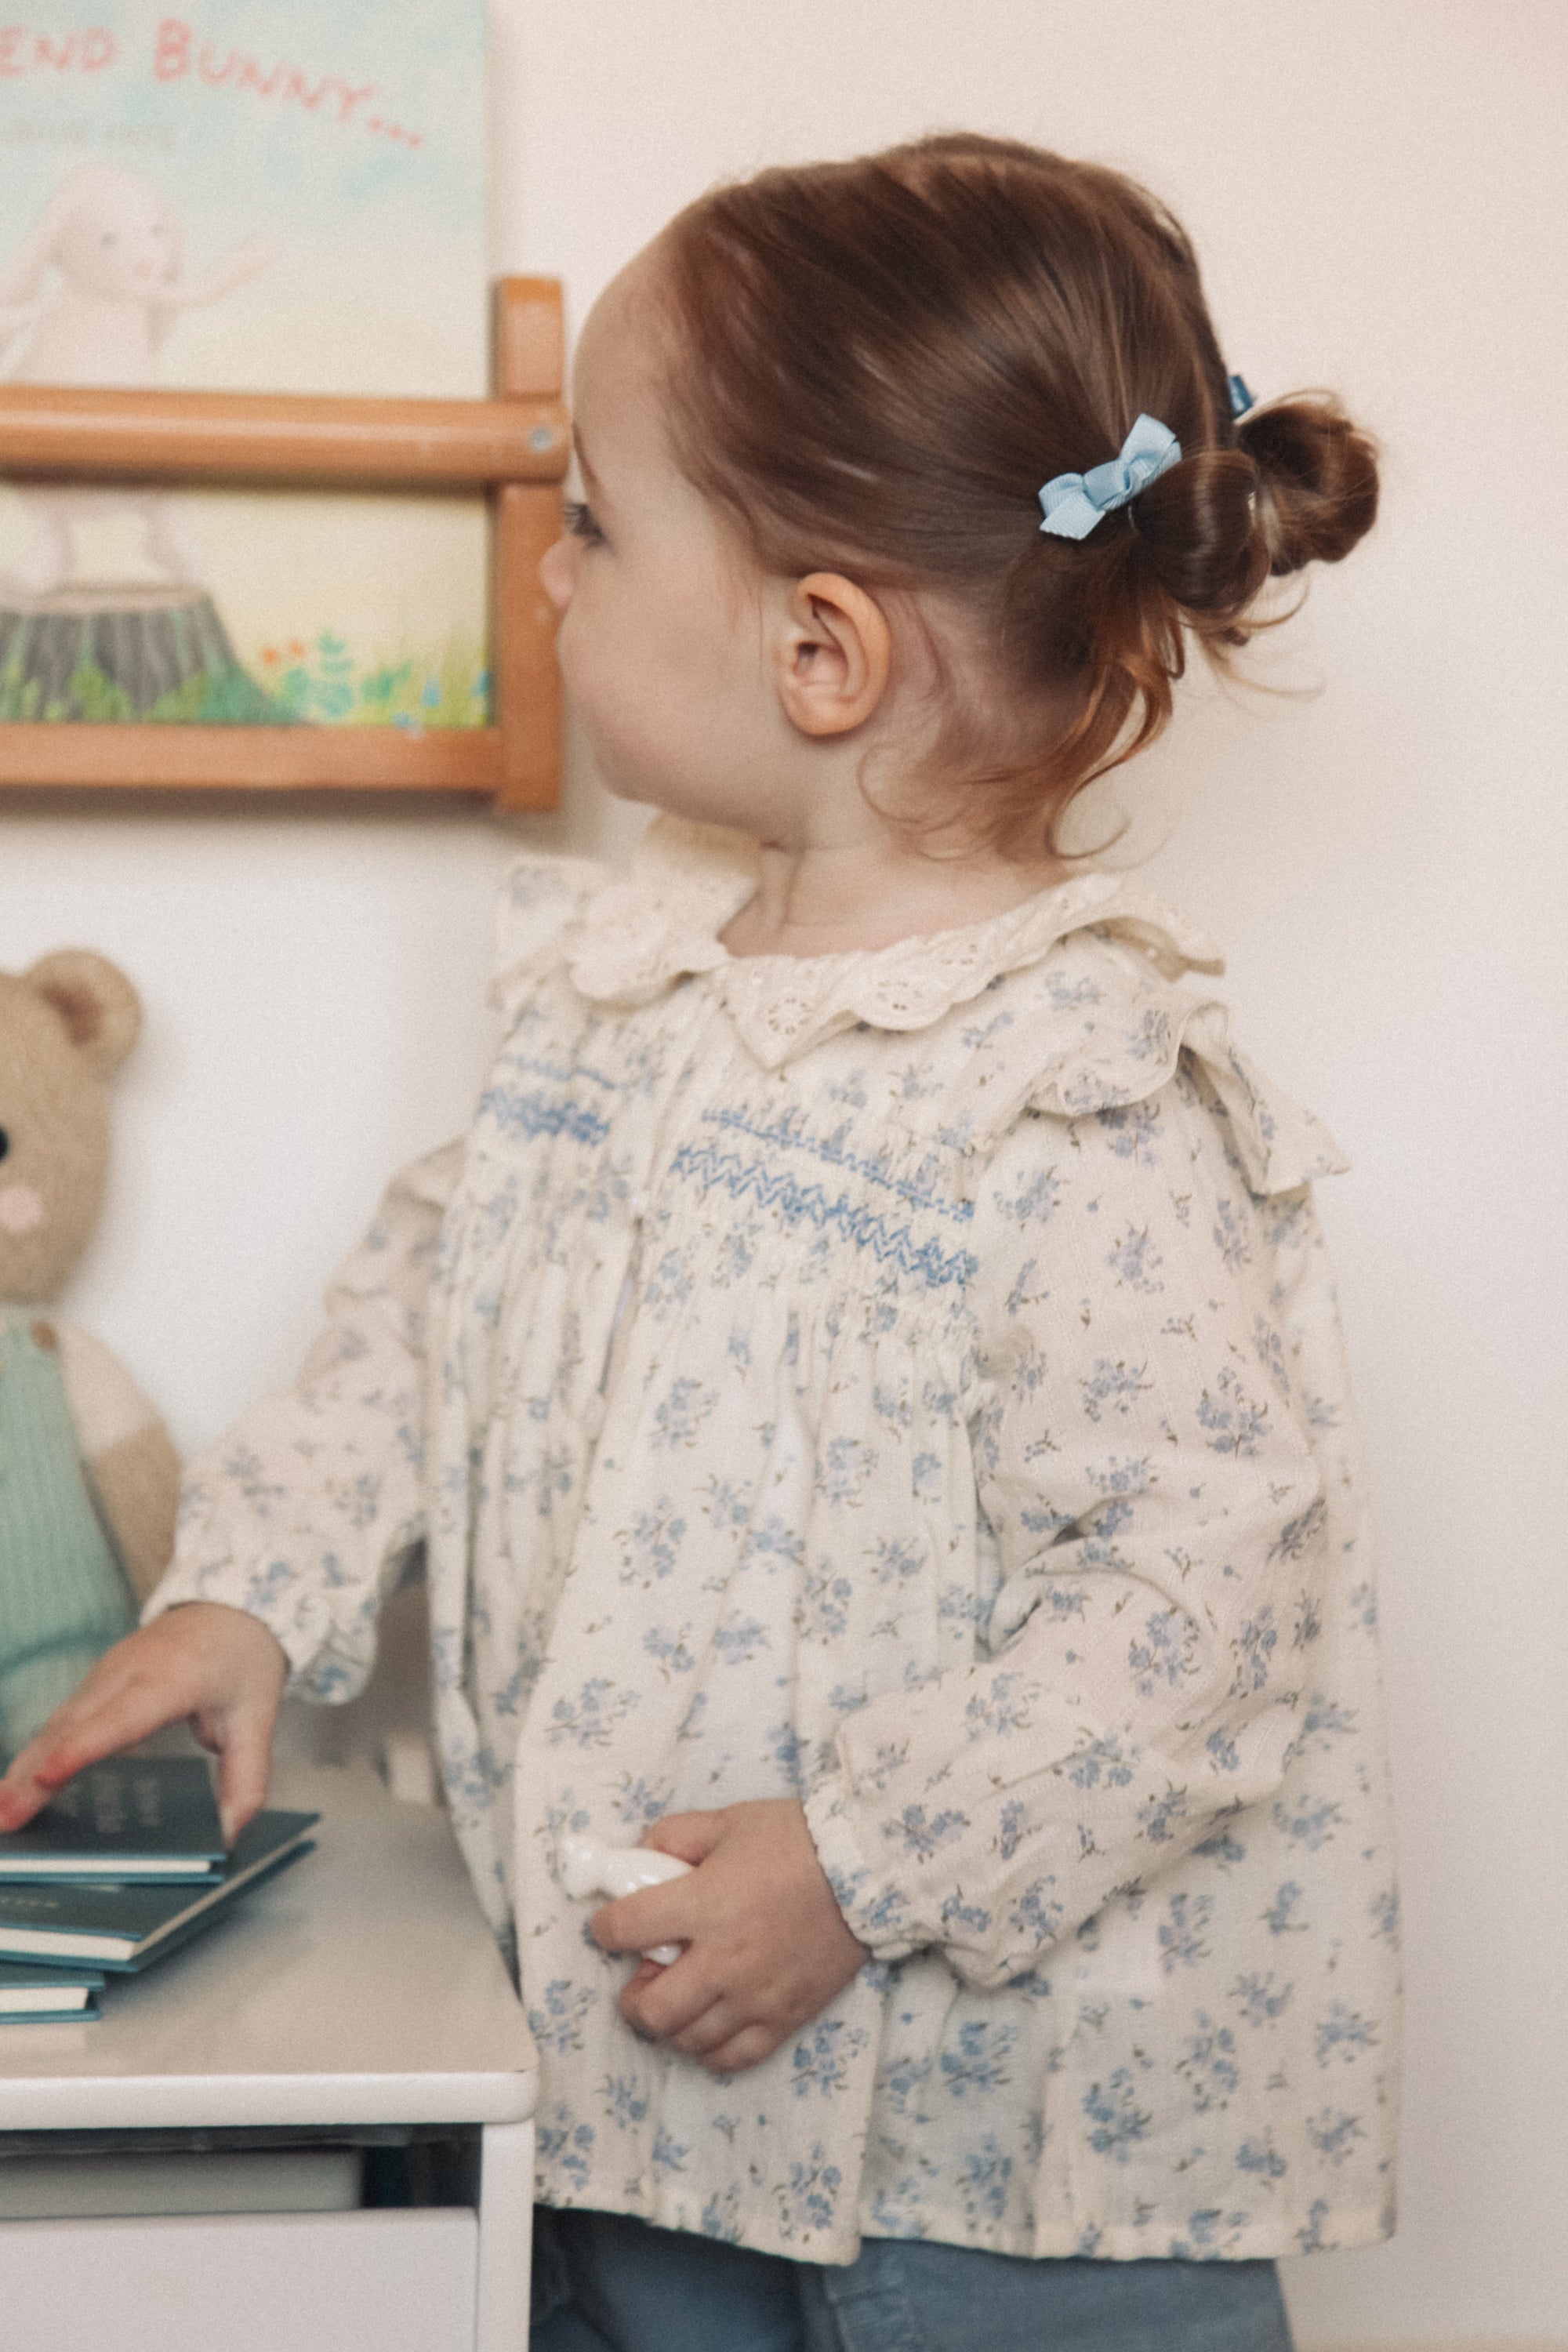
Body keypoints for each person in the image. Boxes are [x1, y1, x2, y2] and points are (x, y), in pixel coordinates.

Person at [0, 136, 1399, 2352]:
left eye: (589, 518)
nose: (544, 573)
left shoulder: (1085, 1087)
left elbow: (1202, 1604)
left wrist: (865, 1862)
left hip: (987, 2174)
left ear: (819, 649)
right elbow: (424, 1317)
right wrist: (253, 1588)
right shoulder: (617, 995)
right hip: (632, 2087)